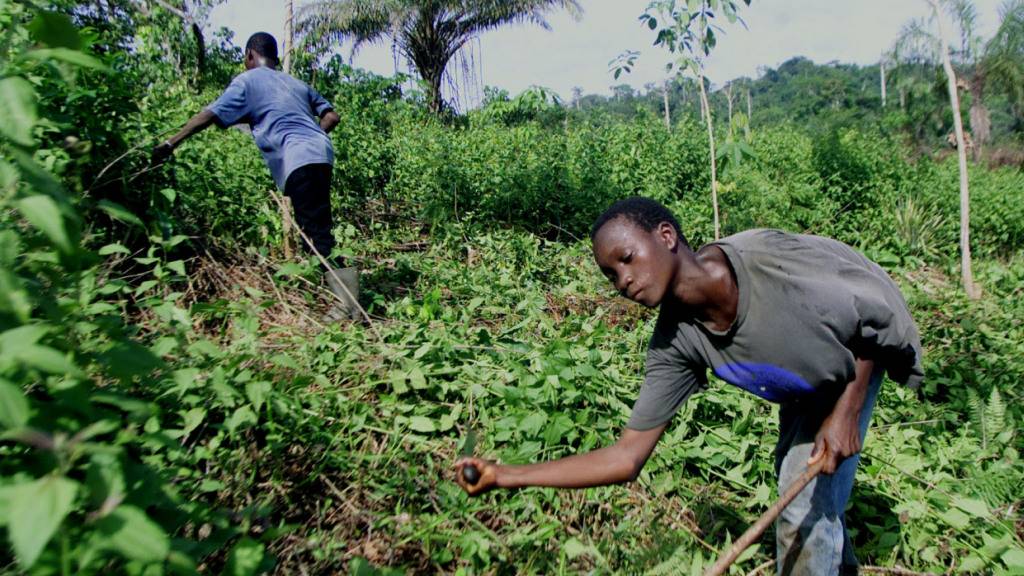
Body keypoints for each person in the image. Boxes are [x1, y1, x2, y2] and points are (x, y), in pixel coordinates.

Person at [454, 197, 923, 575]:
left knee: (802, 506)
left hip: (856, 358)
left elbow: (874, 317)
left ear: (666, 236)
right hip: (804, 384)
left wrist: (846, 412)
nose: (623, 280)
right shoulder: (677, 343)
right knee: (810, 493)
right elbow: (626, 457)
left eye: (627, 258)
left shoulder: (765, 263)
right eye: (610, 274)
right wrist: (507, 475)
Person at [152, 32, 358, 322]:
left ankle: (348, 308)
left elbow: (209, 114)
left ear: (250, 55)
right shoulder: (296, 83)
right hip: (320, 153)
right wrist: (311, 136)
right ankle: (344, 301)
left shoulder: (248, 80)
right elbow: (332, 116)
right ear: (273, 56)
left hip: (299, 158)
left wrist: (171, 143)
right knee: (316, 227)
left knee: (315, 235)